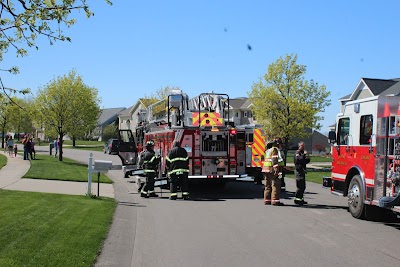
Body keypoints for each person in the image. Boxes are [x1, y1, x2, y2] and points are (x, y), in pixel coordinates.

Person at [262, 140, 284, 206]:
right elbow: (274, 160)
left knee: (267, 185)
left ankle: (267, 200)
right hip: (272, 169)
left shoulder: (267, 151)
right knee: (276, 185)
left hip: (266, 169)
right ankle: (275, 201)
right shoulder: (274, 150)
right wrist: (276, 170)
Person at [294, 141, 311, 205]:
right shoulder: (297, 153)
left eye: (304, 146)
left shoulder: (302, 153)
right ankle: (297, 200)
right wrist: (304, 155)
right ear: (299, 146)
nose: (303, 147)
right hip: (298, 171)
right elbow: (298, 160)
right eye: (302, 146)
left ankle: (301, 199)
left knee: (303, 186)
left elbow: (305, 161)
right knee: (300, 186)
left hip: (302, 171)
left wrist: (307, 156)